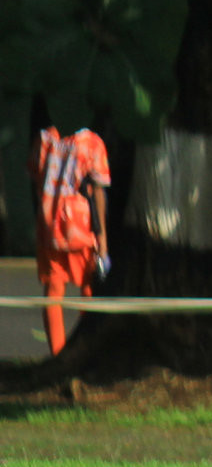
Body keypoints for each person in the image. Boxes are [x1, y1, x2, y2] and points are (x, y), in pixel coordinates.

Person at [30, 126, 111, 357]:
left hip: (49, 226)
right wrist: (103, 241)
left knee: (53, 291)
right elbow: (98, 190)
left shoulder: (45, 138)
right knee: (89, 288)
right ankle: (88, 352)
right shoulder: (92, 142)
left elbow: (37, 177)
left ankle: (58, 354)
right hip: (80, 228)